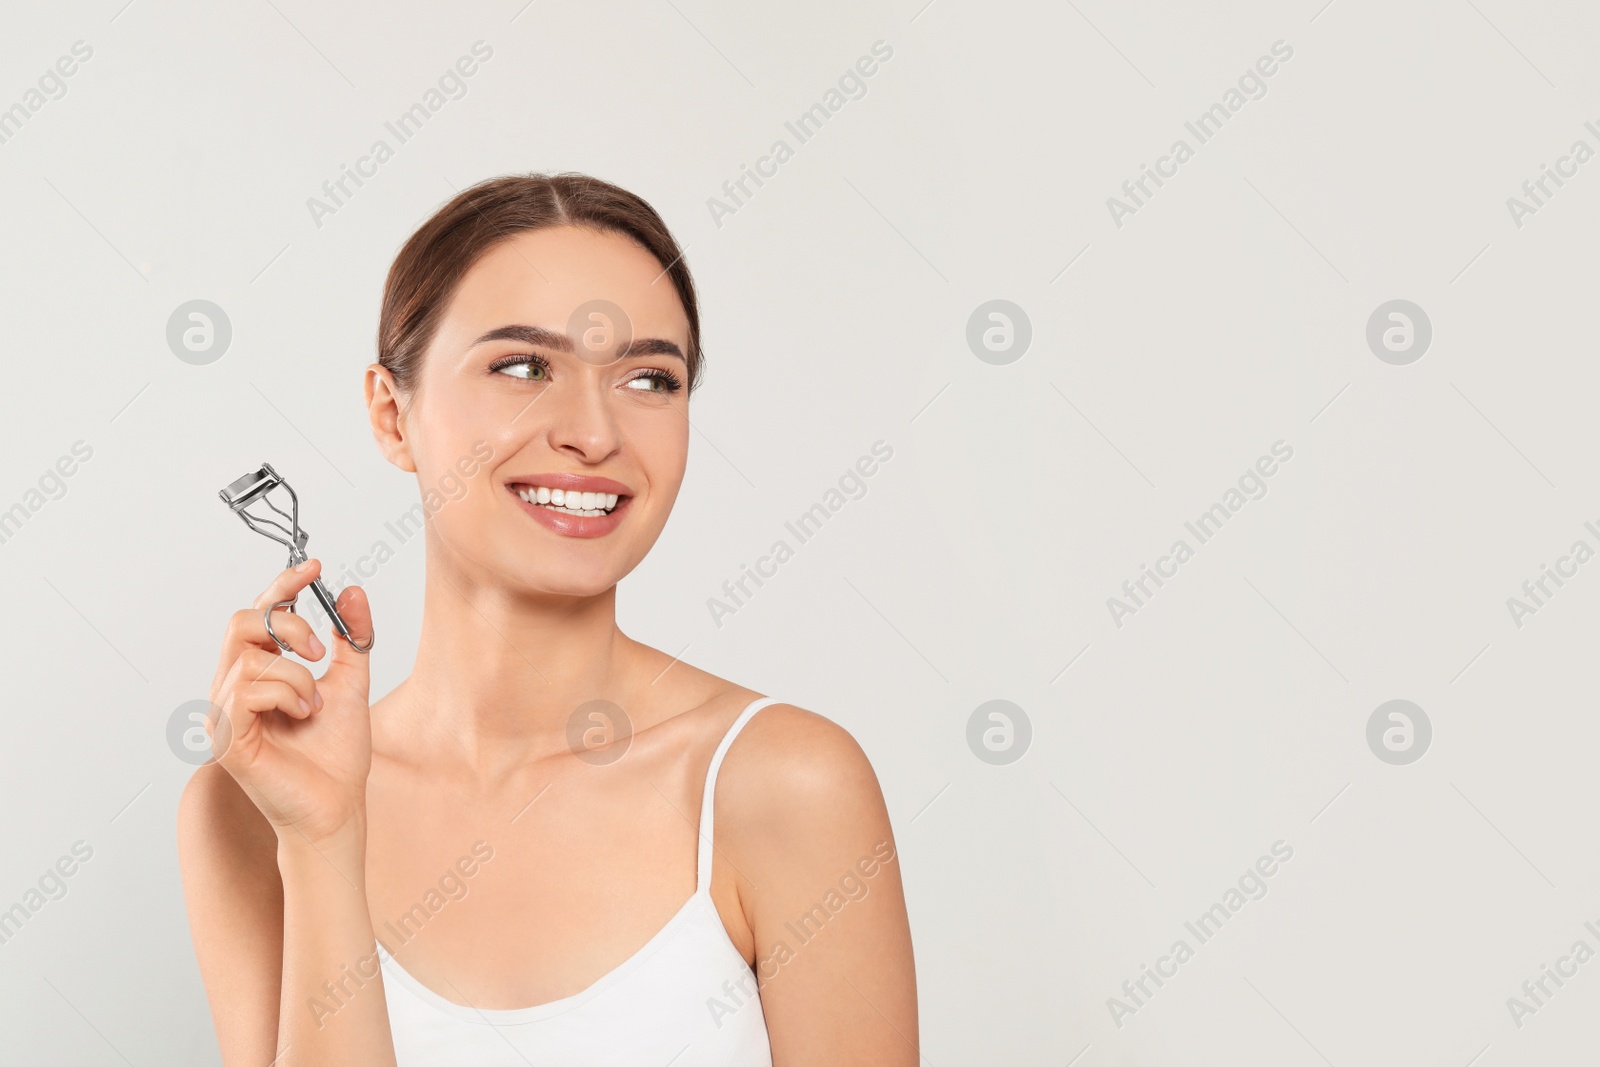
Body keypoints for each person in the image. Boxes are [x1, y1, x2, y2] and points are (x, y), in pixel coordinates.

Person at [177, 173, 918, 1065]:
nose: (594, 432)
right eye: (523, 367)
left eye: (650, 378)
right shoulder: (253, 804)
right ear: (391, 413)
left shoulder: (784, 785)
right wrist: (324, 839)